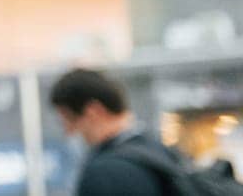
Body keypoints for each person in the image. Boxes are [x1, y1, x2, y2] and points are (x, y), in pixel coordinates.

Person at [50, 68, 181, 196]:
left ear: (93, 112)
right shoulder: (160, 151)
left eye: (68, 120)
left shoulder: (105, 173)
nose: (68, 132)